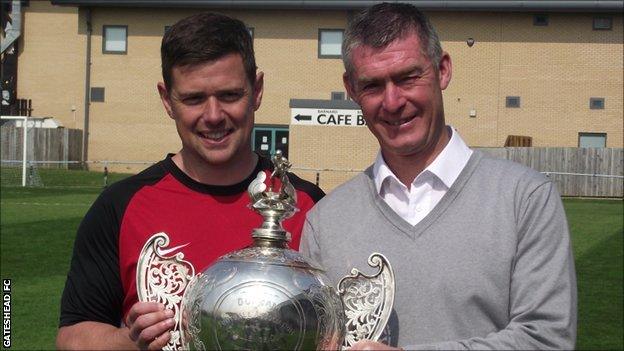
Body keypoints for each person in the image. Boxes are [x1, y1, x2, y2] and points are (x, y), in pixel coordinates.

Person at [300, 3, 577, 350]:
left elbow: (547, 340)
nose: (392, 101)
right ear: (351, 89)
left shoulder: (525, 199)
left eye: (407, 77)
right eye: (372, 85)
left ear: (443, 70)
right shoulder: (325, 223)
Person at [56, 13, 324, 350]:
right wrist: (128, 340)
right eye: (194, 99)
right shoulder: (120, 207)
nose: (213, 116)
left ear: (257, 91)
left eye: (229, 95)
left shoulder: (309, 205)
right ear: (167, 100)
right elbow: (72, 337)